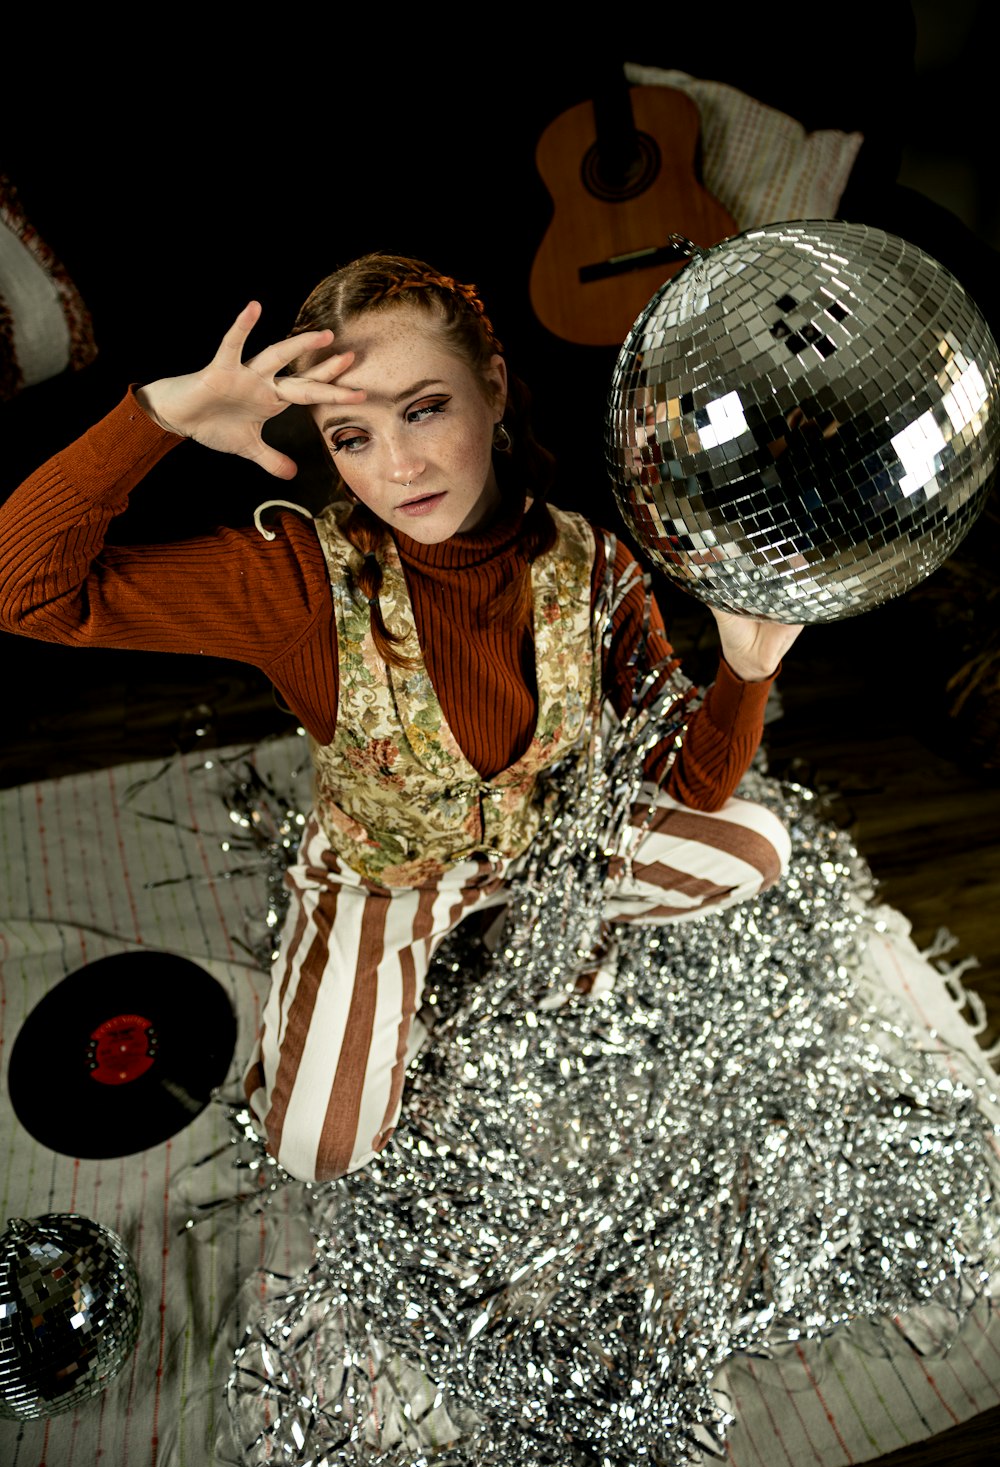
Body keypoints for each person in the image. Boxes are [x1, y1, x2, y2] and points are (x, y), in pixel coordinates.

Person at [0, 252, 802, 1182]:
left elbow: (688, 783)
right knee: (317, 1150)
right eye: (351, 437)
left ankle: (524, 925)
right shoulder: (295, 586)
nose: (401, 466)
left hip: (546, 845)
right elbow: (25, 592)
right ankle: (407, 951)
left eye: (425, 409)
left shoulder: (592, 563)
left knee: (754, 849)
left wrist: (745, 673)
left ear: (493, 388)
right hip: (383, 878)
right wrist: (160, 418)